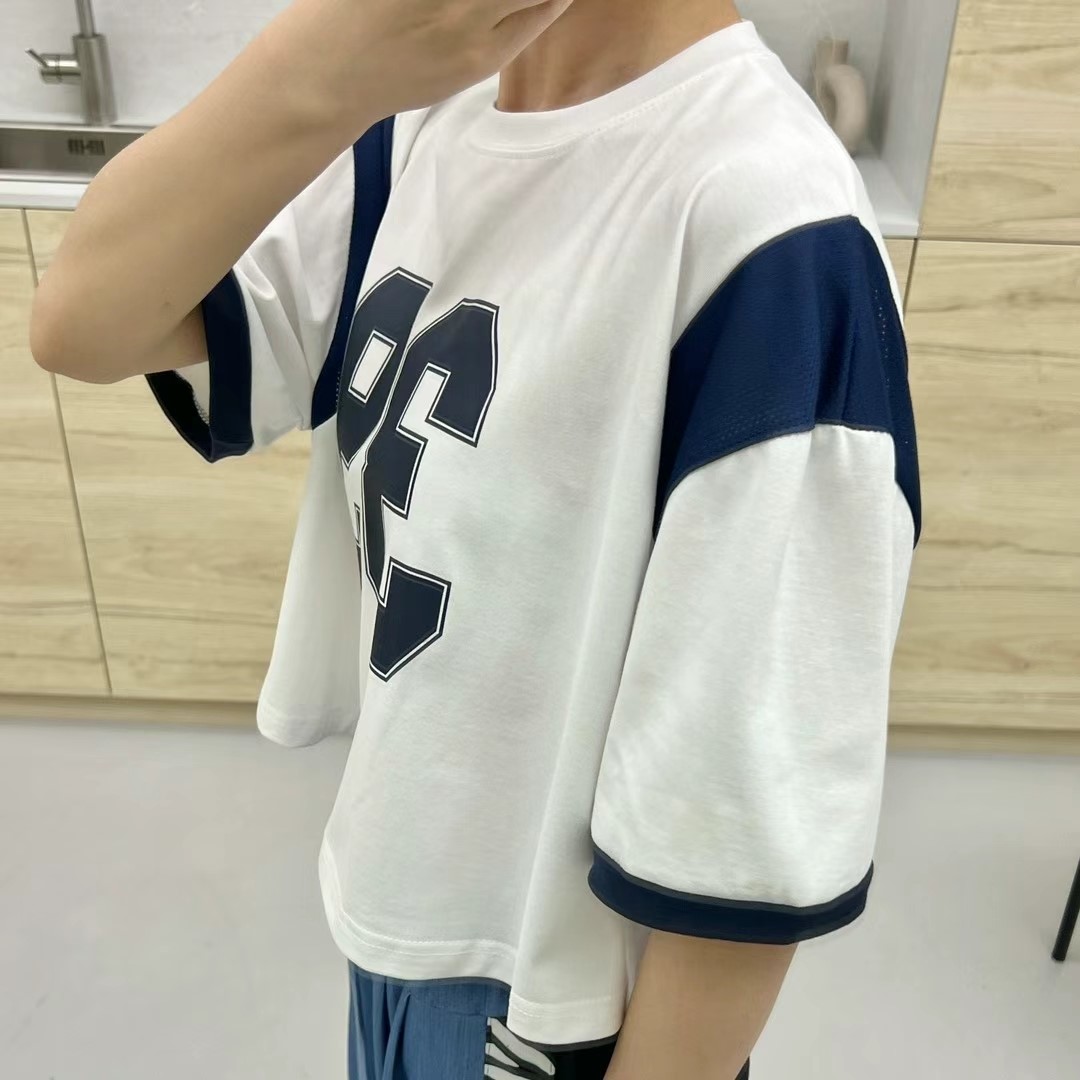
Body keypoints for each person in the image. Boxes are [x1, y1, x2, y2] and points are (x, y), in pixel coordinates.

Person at [31, 0, 920, 1076]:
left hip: (556, 999)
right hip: (399, 898)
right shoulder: (419, 123)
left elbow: (737, 835)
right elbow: (84, 321)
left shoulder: (773, 228)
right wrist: (314, 68)